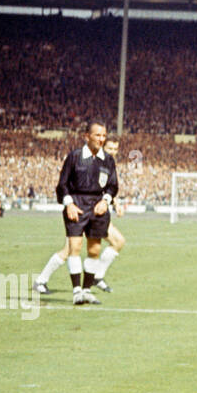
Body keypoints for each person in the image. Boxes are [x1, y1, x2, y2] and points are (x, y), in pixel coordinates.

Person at [49, 122, 119, 306]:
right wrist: (69, 203)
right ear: (87, 136)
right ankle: (76, 292)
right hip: (77, 204)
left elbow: (113, 186)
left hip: (98, 206)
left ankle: (87, 290)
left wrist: (106, 201)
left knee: (94, 250)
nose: (101, 139)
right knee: (75, 247)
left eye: (104, 136)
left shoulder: (108, 160)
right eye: (98, 135)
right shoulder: (75, 157)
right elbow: (62, 184)